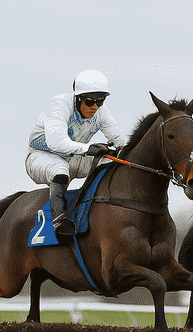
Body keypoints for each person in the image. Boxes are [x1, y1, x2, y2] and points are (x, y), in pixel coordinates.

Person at [25, 69, 127, 236]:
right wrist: (88, 148)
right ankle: (59, 222)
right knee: (60, 170)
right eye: (89, 102)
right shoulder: (59, 104)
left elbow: (121, 140)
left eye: (100, 102)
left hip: (74, 158)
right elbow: (56, 142)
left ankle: (103, 207)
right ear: (78, 98)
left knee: (110, 162)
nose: (95, 107)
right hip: (41, 156)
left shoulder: (100, 111)